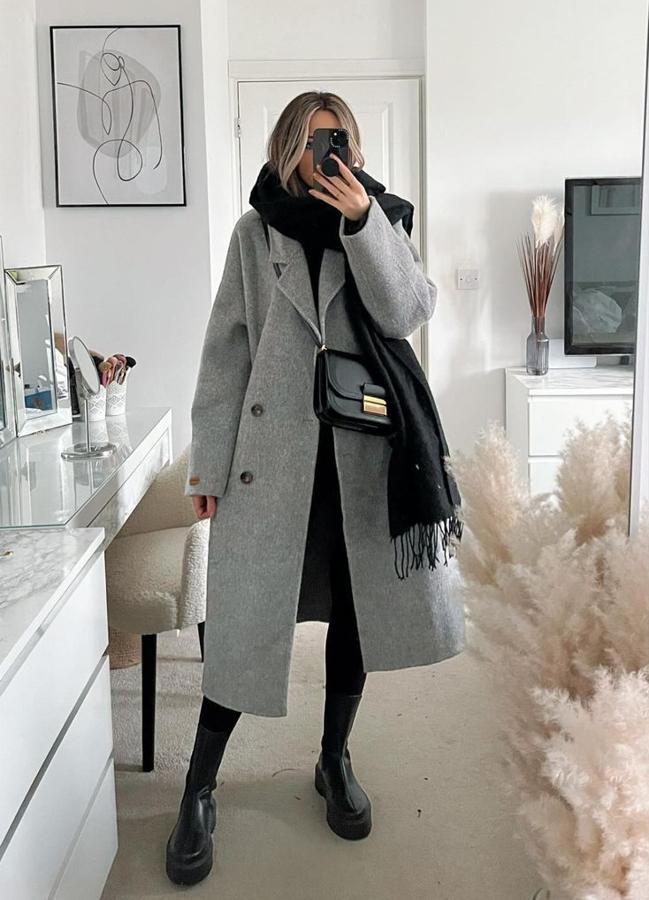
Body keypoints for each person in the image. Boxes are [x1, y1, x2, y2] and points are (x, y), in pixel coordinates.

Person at [166, 91, 465, 886]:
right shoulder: (254, 232)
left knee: (356, 614)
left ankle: (333, 758)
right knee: (242, 619)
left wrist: (363, 224)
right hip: (272, 462)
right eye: (313, 139)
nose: (328, 152)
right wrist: (207, 465)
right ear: (287, 147)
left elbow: (406, 313)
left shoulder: (381, 221)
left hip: (362, 460)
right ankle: (198, 787)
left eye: (340, 139)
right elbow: (225, 353)